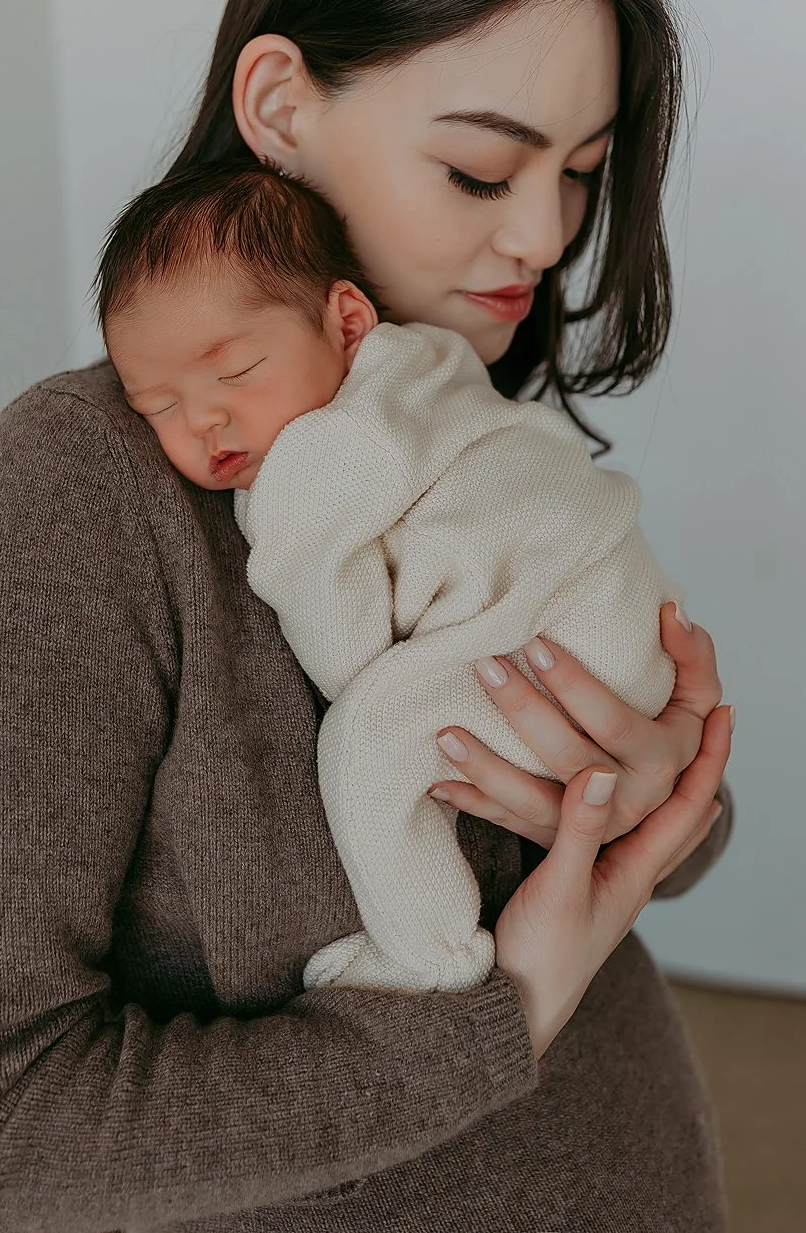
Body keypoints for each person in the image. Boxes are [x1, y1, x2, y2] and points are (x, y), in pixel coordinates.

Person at [0, 0, 736, 1232]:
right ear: (278, 105)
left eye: (582, 171)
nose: (542, 238)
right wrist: (495, 1015)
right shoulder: (79, 493)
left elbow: (600, 823)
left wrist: (659, 800)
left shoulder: (458, 398)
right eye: (480, 169)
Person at [98, 161, 694, 996]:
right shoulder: (429, 361)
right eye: (155, 405)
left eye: (234, 372)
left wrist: (274, 530)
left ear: (345, 320)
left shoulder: (318, 454)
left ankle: (429, 954)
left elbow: (345, 654)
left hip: (556, 643)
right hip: (618, 616)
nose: (202, 420)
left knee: (368, 741)